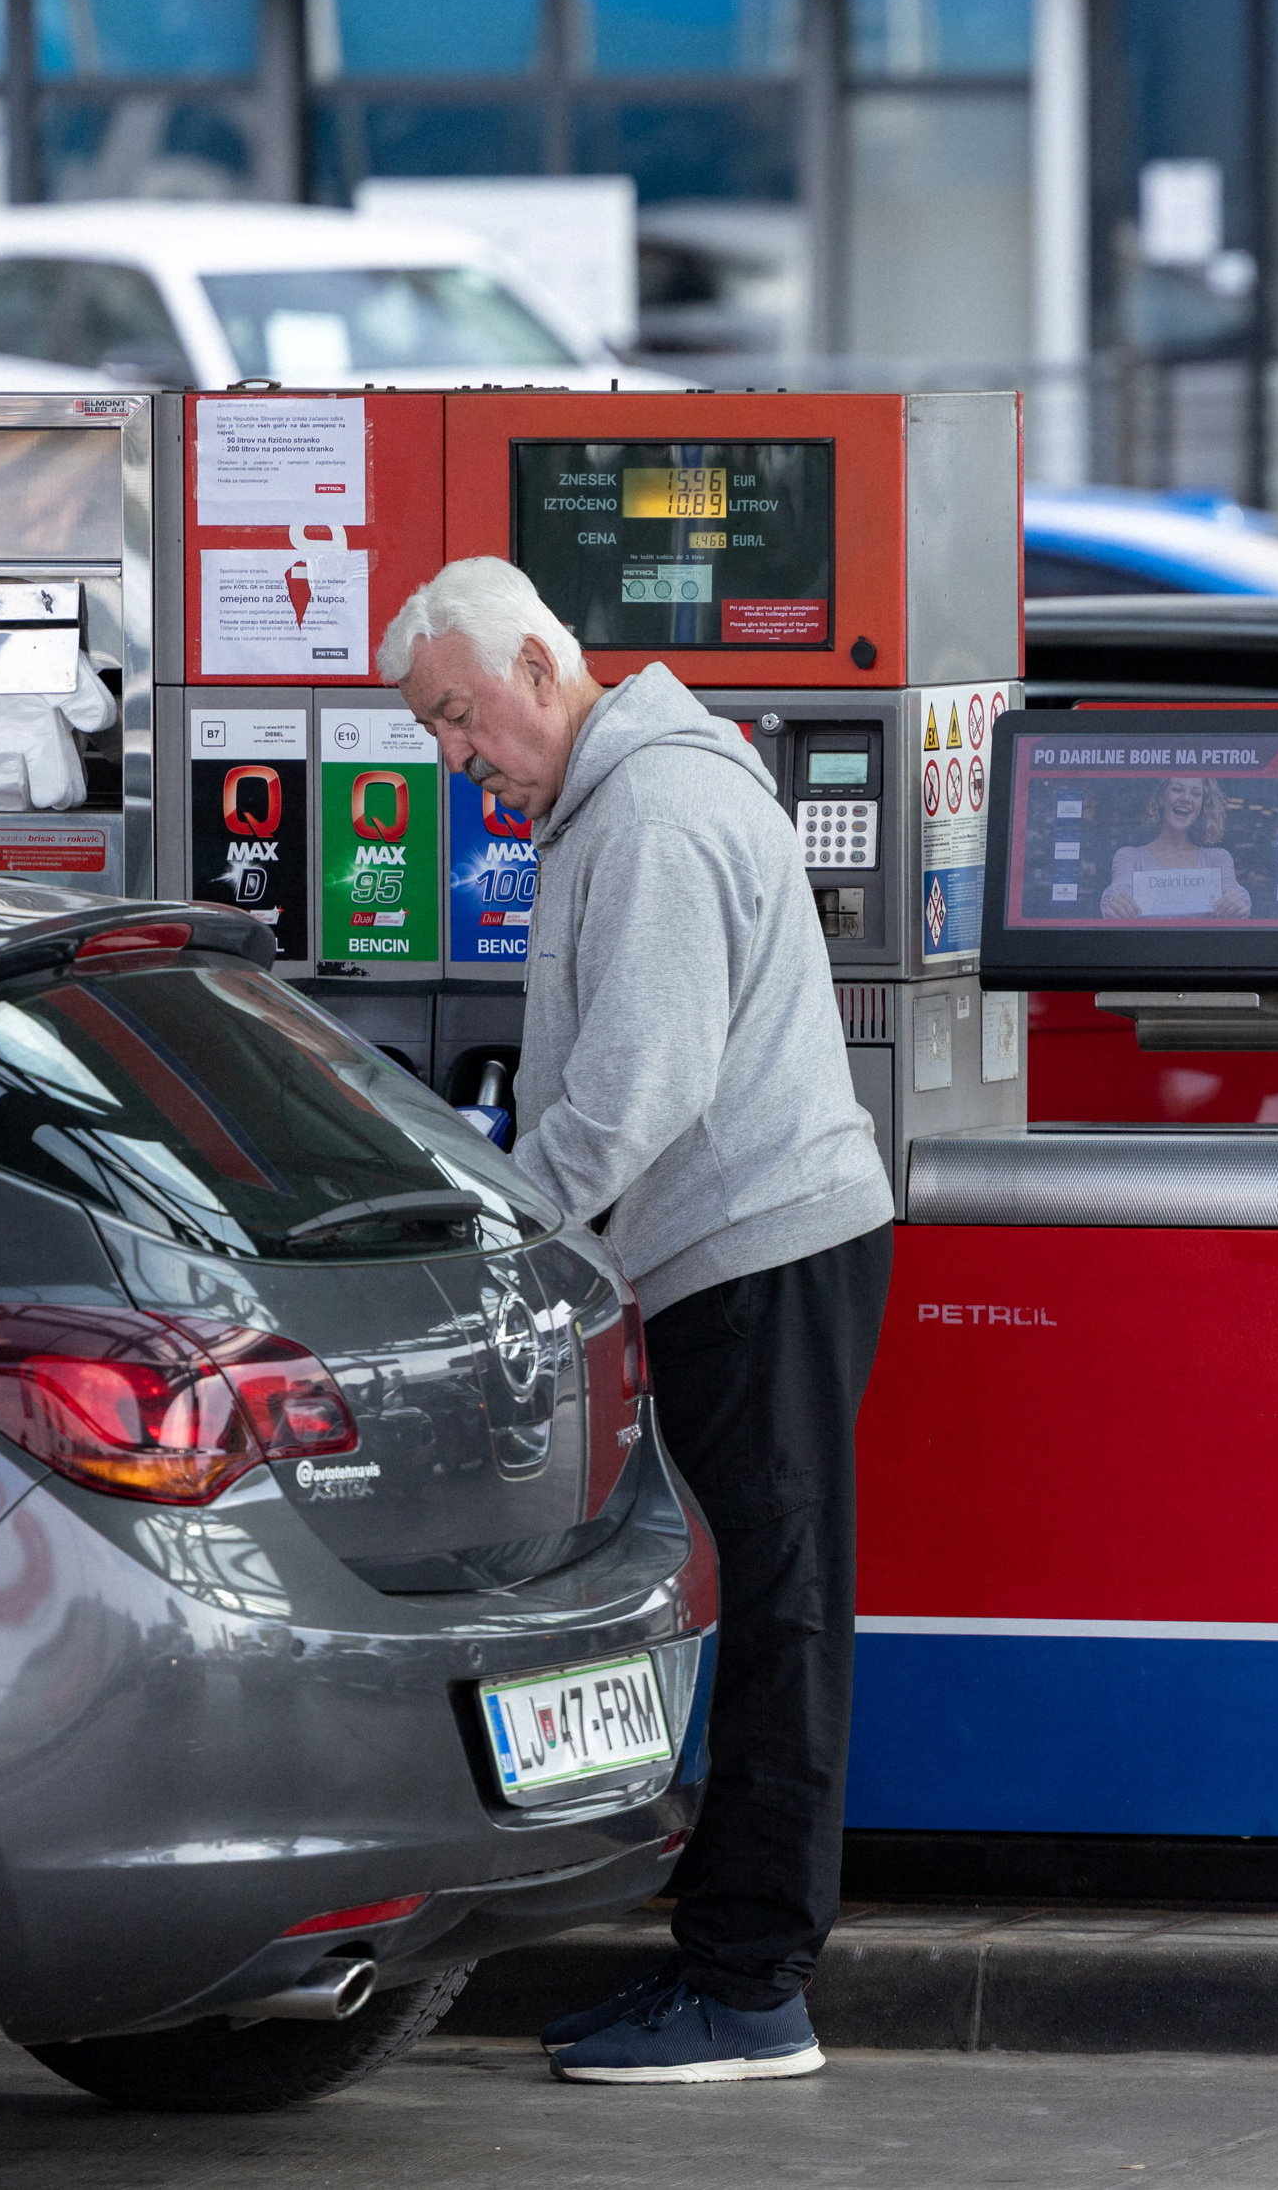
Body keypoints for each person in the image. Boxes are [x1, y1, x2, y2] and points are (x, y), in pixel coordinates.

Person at [380, 555, 897, 2087]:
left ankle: (750, 1989)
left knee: (785, 1616)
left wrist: (494, 1230)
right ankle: (729, 1968)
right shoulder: (624, 796)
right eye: (432, 732)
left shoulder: (657, 814)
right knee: (761, 1605)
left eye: (461, 717)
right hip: (740, 1255)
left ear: (542, 667)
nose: (453, 758)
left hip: (757, 1253)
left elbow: (636, 1092)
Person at [1098, 771, 1252, 919]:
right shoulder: (1130, 857)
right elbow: (1117, 890)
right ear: (1161, 798)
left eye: (1196, 793)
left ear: (1202, 805)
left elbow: (1235, 891)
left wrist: (1238, 903)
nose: (1186, 798)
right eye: (1177, 789)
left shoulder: (1216, 858)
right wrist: (1114, 903)